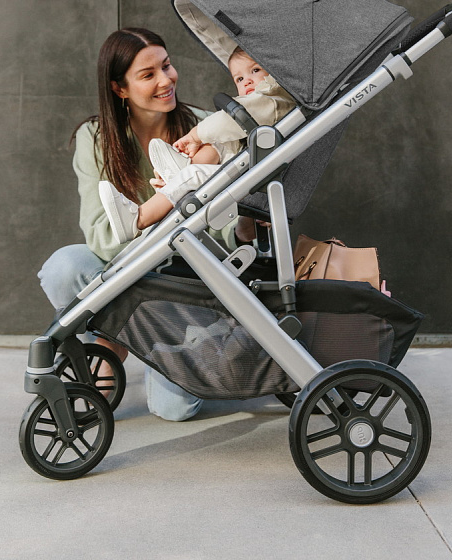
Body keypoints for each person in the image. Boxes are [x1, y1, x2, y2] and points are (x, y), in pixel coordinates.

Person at [38, 28, 254, 422]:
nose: (166, 80)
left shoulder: (209, 129)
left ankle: (121, 337)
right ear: (120, 88)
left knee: (174, 408)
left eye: (167, 66)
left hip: (184, 282)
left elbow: (223, 236)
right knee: (64, 268)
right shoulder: (96, 138)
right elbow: (102, 237)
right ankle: (118, 338)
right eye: (148, 74)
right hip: (127, 268)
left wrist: (243, 223)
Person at [98, 46, 296, 243]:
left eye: (255, 70)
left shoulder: (273, 100)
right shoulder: (96, 136)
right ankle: (183, 169)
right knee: (218, 143)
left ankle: (137, 220)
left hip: (252, 180)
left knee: (192, 174)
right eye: (239, 79)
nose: (248, 81)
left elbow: (226, 122)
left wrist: (195, 136)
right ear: (120, 89)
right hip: (248, 169)